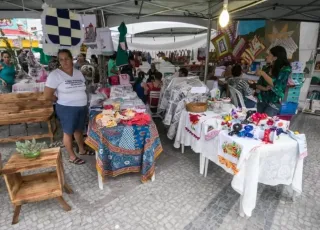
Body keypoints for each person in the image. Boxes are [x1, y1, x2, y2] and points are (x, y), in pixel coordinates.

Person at [44, 49, 93, 165]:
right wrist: (59, 100)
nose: (64, 61)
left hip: (81, 107)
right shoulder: (55, 75)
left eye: (67, 58)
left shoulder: (78, 72)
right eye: (61, 59)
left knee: (79, 130)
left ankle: (82, 149)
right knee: (68, 132)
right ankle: (72, 156)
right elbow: (47, 95)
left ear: (72, 59)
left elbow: (83, 87)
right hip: (66, 108)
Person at [255, 46, 291, 116]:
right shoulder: (266, 68)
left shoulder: (285, 70)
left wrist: (263, 74)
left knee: (267, 122)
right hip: (262, 100)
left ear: (275, 58)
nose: (266, 57)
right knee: (257, 121)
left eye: (269, 55)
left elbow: (276, 85)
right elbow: (258, 85)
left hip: (274, 102)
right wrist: (265, 88)